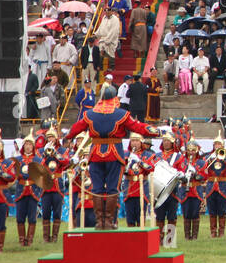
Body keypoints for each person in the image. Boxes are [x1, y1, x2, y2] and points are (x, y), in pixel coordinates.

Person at [63, 85, 158, 230]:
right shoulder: (121, 114)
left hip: (95, 153)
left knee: (97, 188)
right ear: (114, 97)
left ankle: (99, 222)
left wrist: (68, 136)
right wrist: (155, 132)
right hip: (114, 153)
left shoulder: (90, 114)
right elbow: (137, 127)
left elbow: (77, 127)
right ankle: (108, 221)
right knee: (113, 188)